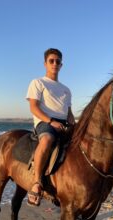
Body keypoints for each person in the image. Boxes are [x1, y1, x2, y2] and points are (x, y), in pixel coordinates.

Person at [26, 48, 75, 206]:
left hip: (63, 123)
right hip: (45, 123)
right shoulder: (38, 82)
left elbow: (69, 113)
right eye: (51, 61)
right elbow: (33, 108)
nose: (55, 63)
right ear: (45, 63)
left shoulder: (66, 90)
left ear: (62, 65)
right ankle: (37, 182)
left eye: (58, 61)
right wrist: (50, 121)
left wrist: (75, 125)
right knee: (47, 140)